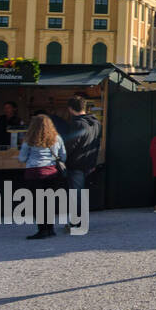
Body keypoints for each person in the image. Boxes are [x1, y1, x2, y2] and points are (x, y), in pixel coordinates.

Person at [18, 114, 66, 239]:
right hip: (51, 173)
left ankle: (42, 230)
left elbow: (22, 158)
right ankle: (50, 229)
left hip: (34, 173)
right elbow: (63, 156)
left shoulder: (29, 139)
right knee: (49, 202)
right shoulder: (57, 138)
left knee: (37, 203)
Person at [59, 96, 101, 232]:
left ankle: (77, 223)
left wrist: (62, 157)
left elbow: (71, 144)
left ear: (70, 109)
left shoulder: (77, 124)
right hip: (89, 162)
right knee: (80, 194)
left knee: (76, 194)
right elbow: (97, 144)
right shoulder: (96, 123)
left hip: (76, 163)